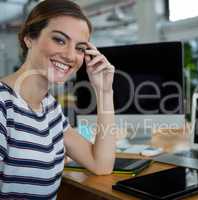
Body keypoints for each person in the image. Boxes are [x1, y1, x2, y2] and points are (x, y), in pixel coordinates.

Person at [0, 0, 116, 199]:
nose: (71, 56)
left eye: (80, 48)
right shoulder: (4, 106)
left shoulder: (50, 108)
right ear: (29, 38)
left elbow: (101, 164)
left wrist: (105, 91)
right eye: (59, 40)